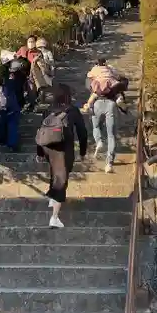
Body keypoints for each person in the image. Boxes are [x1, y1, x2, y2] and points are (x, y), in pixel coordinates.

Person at [35, 84, 88, 228]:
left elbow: (41, 132)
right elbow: (82, 133)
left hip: (47, 147)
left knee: (55, 172)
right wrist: (83, 152)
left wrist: (40, 152)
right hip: (64, 148)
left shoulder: (47, 110)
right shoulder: (73, 111)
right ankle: (54, 218)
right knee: (61, 179)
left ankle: (52, 197)